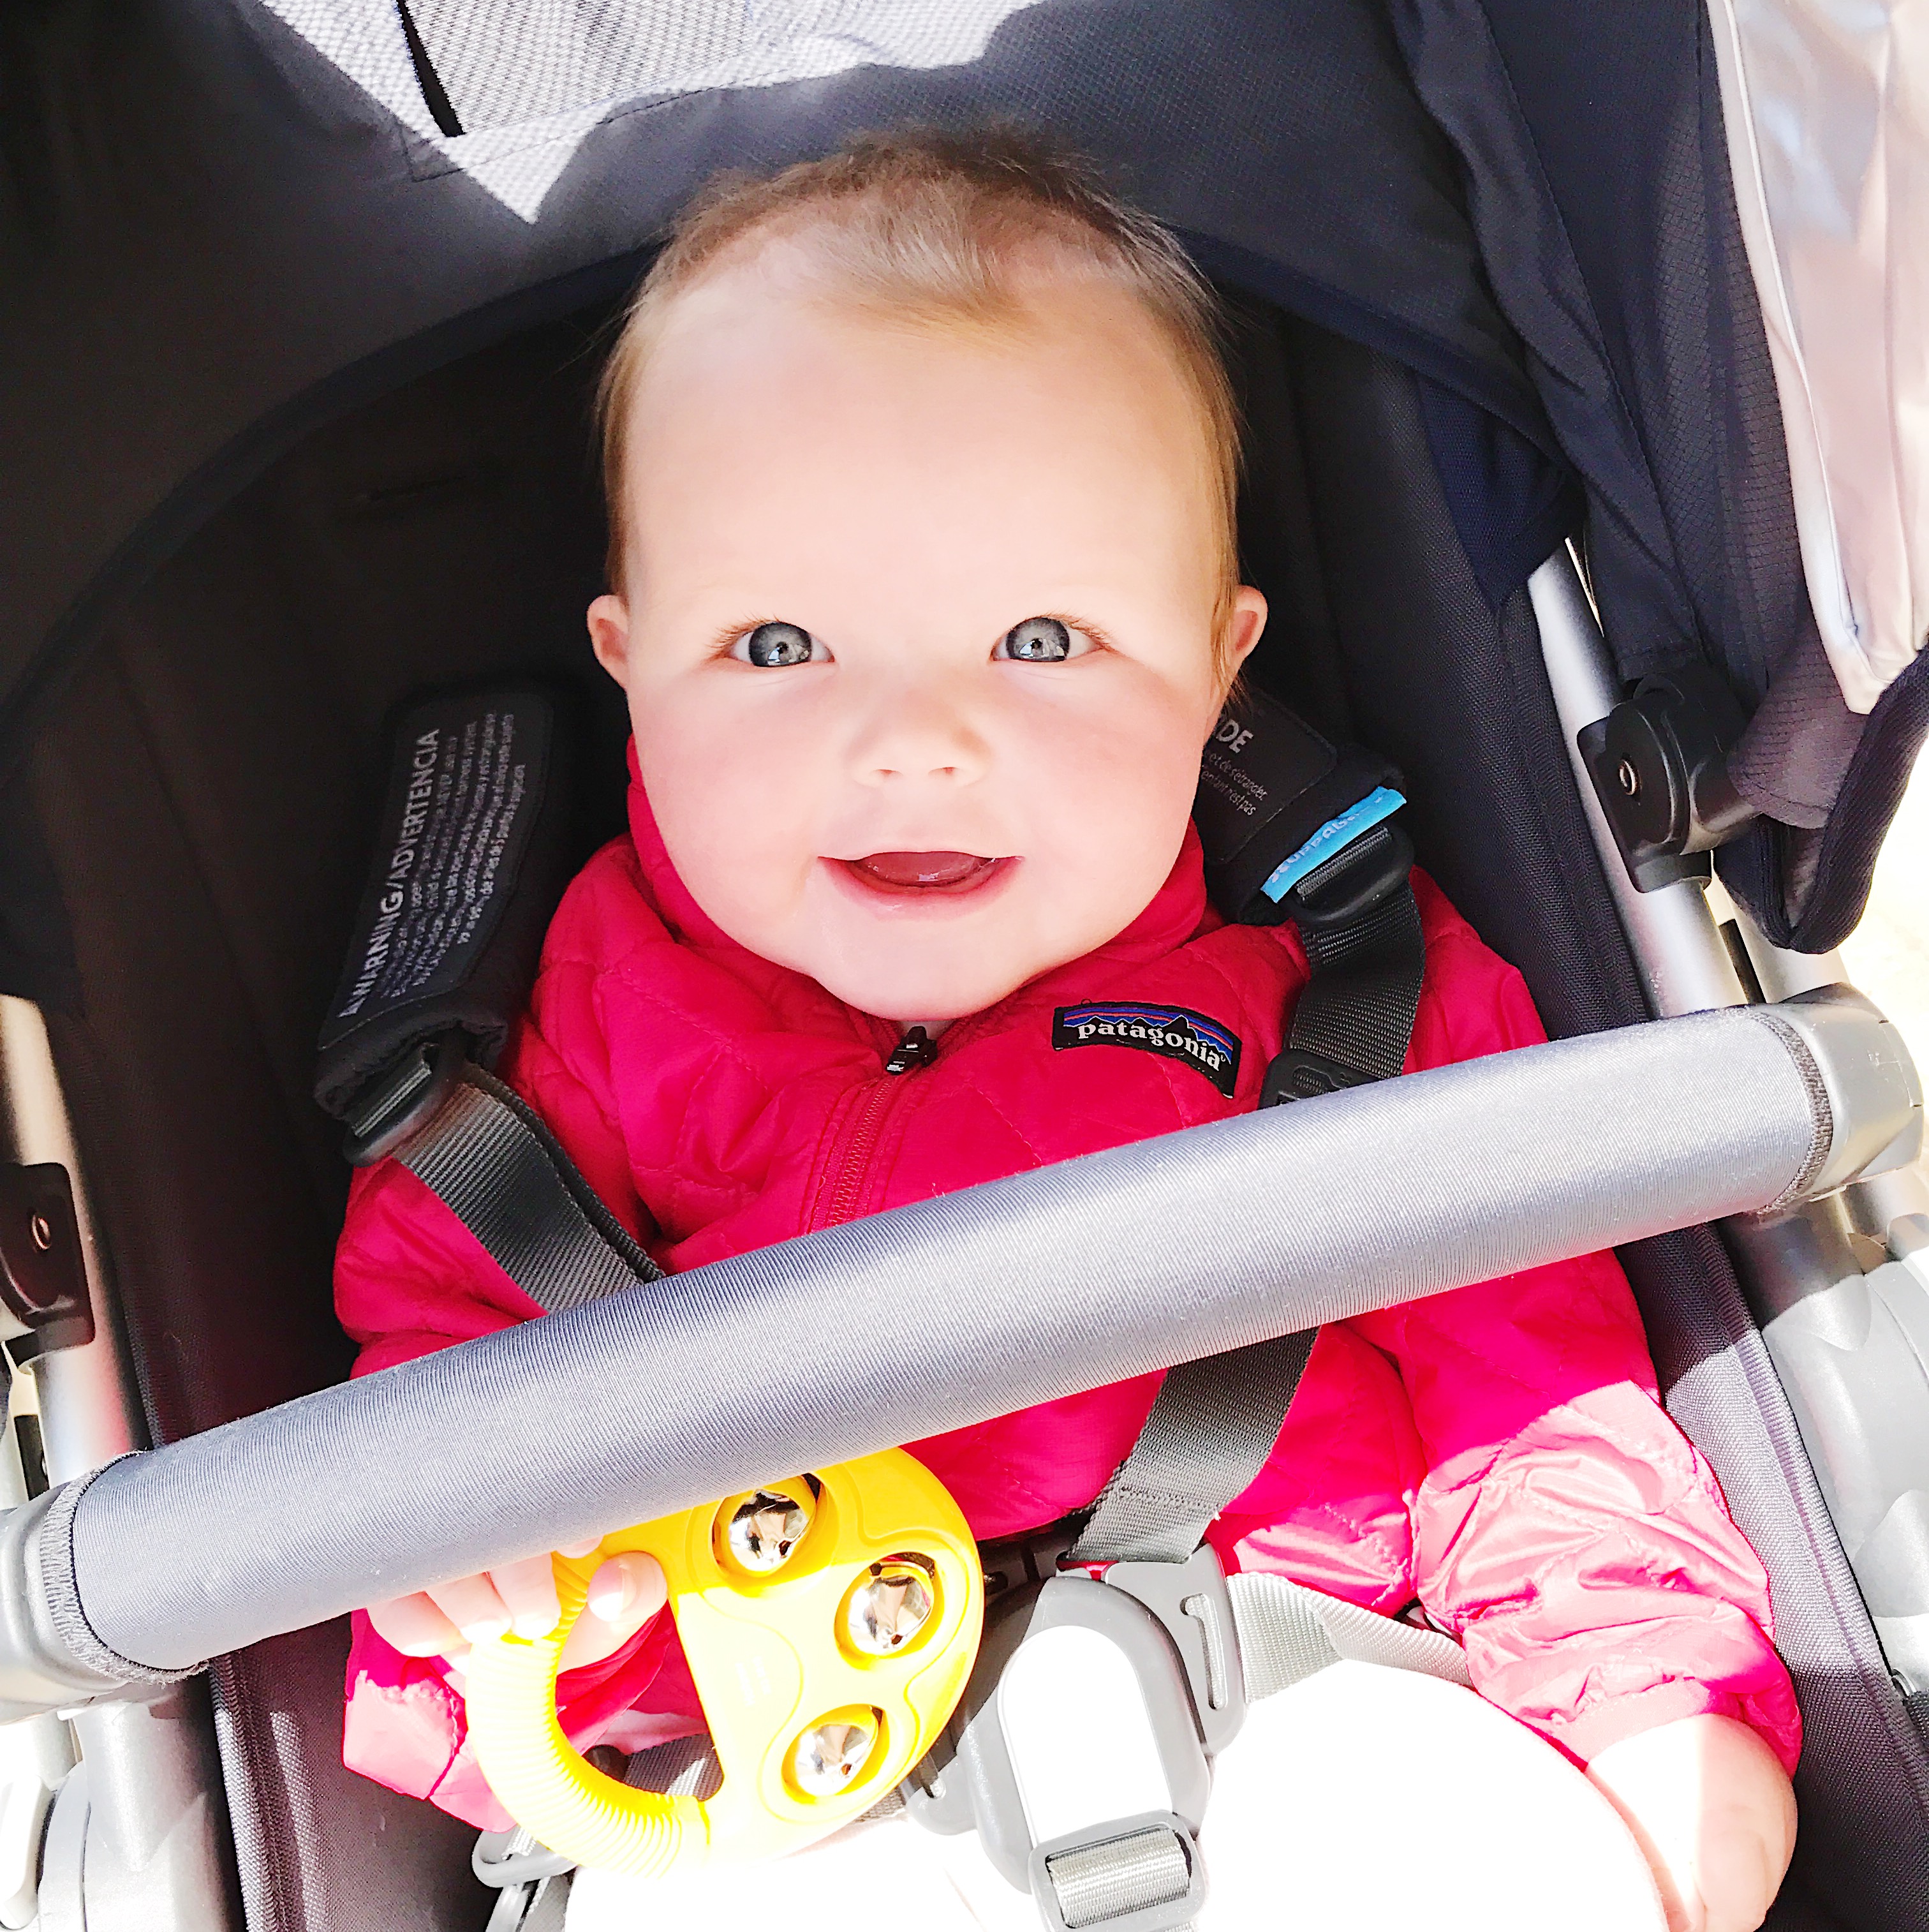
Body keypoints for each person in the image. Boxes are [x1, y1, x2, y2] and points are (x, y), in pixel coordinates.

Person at [334, 130, 1799, 1931]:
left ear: (1213, 655)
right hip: (765, 1760)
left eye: (1042, 636)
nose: (917, 741)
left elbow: (1533, 1371)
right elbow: (433, 1346)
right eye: (782, 644)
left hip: (1309, 1690)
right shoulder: (574, 1042)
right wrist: (455, 1548)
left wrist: (1647, 1691)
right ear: (631, 664)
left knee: (1453, 1831)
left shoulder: (1351, 992)